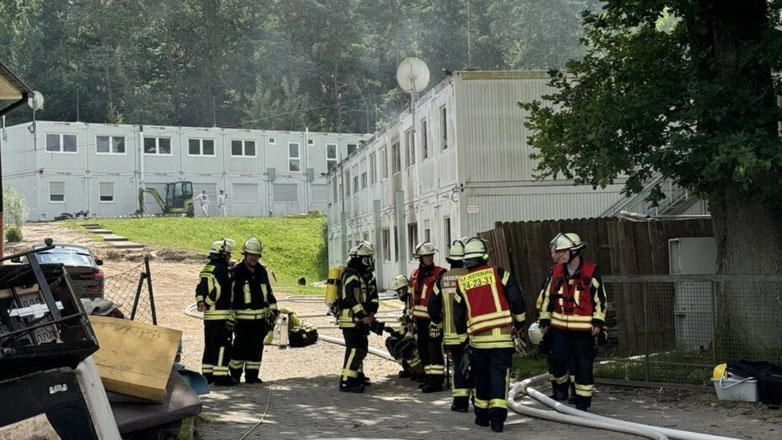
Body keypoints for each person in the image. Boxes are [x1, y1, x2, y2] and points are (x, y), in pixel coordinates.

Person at [453, 237, 526, 433]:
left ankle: (482, 416)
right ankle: (497, 420)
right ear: (485, 256)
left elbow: (458, 316)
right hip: (502, 340)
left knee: (481, 379)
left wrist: (463, 342)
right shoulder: (500, 274)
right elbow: (517, 299)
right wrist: (519, 323)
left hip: (477, 343)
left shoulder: (462, 283)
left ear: (466, 260)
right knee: (499, 378)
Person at [538, 233, 607, 412]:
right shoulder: (555, 272)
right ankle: (561, 388)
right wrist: (544, 318)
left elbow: (600, 299)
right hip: (559, 328)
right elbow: (546, 297)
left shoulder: (591, 272)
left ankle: (582, 402)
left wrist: (598, 322)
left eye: (562, 252)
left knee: (583, 366)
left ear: (574, 251)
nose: (558, 255)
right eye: (558, 252)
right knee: (557, 360)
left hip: (584, 330)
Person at [428, 238, 471, 412]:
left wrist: (438, 323)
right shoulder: (471, 276)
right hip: (471, 332)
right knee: (474, 365)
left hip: (451, 334)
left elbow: (432, 307)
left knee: (458, 365)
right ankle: (479, 401)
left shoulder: (442, 279)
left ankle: (459, 403)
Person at [229, 237, 278, 384]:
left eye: (256, 255)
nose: (253, 258)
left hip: (259, 321)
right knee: (239, 350)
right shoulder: (236, 271)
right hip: (242, 321)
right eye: (251, 255)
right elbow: (230, 295)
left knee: (256, 350)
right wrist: (231, 316)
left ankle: (252, 376)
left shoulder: (262, 271)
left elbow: (268, 293)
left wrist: (274, 311)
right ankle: (235, 376)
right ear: (245, 254)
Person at [536, 233, 577, 403]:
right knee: (560, 358)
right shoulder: (556, 273)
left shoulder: (566, 274)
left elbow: (547, 298)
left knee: (566, 359)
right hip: (560, 324)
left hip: (566, 324)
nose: (553, 255)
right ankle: (563, 391)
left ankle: (568, 392)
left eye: (555, 252)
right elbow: (546, 297)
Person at [336, 241, 379, 392]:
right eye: (367, 259)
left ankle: (357, 376)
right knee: (355, 349)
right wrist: (362, 315)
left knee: (361, 348)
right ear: (359, 259)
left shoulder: (364, 276)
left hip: (360, 319)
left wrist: (373, 311)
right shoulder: (351, 276)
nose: (369, 263)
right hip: (351, 319)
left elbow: (373, 296)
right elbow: (351, 298)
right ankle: (347, 381)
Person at [195, 238, 237, 386]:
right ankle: (221, 376)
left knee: (209, 346)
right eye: (228, 254)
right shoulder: (222, 270)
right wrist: (208, 302)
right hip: (221, 315)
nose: (229, 257)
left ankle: (208, 375)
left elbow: (199, 288)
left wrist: (201, 302)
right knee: (222, 346)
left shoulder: (206, 269)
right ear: (222, 254)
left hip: (209, 316)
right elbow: (219, 289)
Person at [408, 241, 447, 393]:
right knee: (423, 349)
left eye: (431, 256)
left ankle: (436, 381)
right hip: (419, 319)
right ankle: (428, 377)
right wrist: (410, 318)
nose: (429, 259)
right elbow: (411, 297)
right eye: (426, 256)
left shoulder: (440, 273)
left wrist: (439, 318)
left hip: (434, 320)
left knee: (434, 349)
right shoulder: (415, 274)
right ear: (420, 258)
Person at [385, 274, 425, 380]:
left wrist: (406, 338)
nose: (400, 294)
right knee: (391, 342)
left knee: (407, 348)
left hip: (417, 336)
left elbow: (414, 324)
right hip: (409, 335)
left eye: (402, 291)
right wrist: (396, 332)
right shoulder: (408, 303)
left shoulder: (414, 302)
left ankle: (420, 372)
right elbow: (405, 324)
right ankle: (409, 369)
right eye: (398, 292)